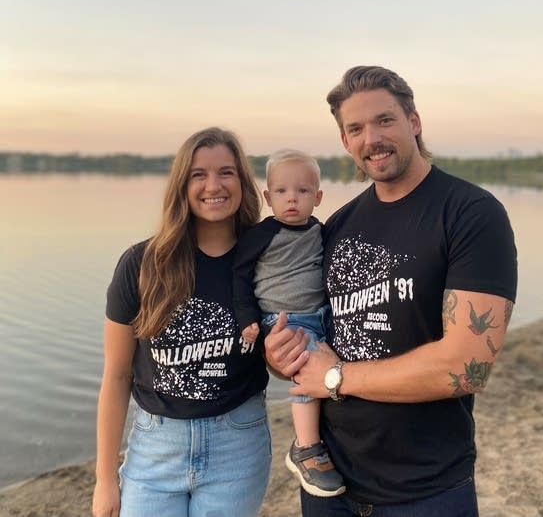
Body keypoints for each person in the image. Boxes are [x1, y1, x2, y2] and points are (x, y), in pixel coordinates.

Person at [265, 66, 518, 517]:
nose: (372, 139)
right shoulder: (337, 226)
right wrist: (282, 355)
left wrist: (336, 377)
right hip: (330, 484)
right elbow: (315, 329)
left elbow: (467, 366)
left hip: (427, 488)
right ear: (346, 142)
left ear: (414, 122)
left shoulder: (471, 214)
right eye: (356, 129)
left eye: (385, 121)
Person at [92, 128, 271, 517]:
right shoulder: (140, 265)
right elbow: (117, 375)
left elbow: (282, 354)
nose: (213, 185)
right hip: (156, 447)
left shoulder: (265, 262)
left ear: (242, 180)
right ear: (181, 185)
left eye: (226, 172)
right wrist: (105, 478)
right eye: (198, 174)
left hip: (238, 444)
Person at [232, 149, 345, 498]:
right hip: (284, 319)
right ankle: (307, 448)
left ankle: (332, 434)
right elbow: (239, 277)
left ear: (318, 197)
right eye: (281, 192)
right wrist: (249, 321)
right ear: (267, 197)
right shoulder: (261, 234)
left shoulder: (319, 231)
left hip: (321, 314)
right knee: (309, 369)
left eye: (302, 191)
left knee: (338, 365)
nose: (291, 199)